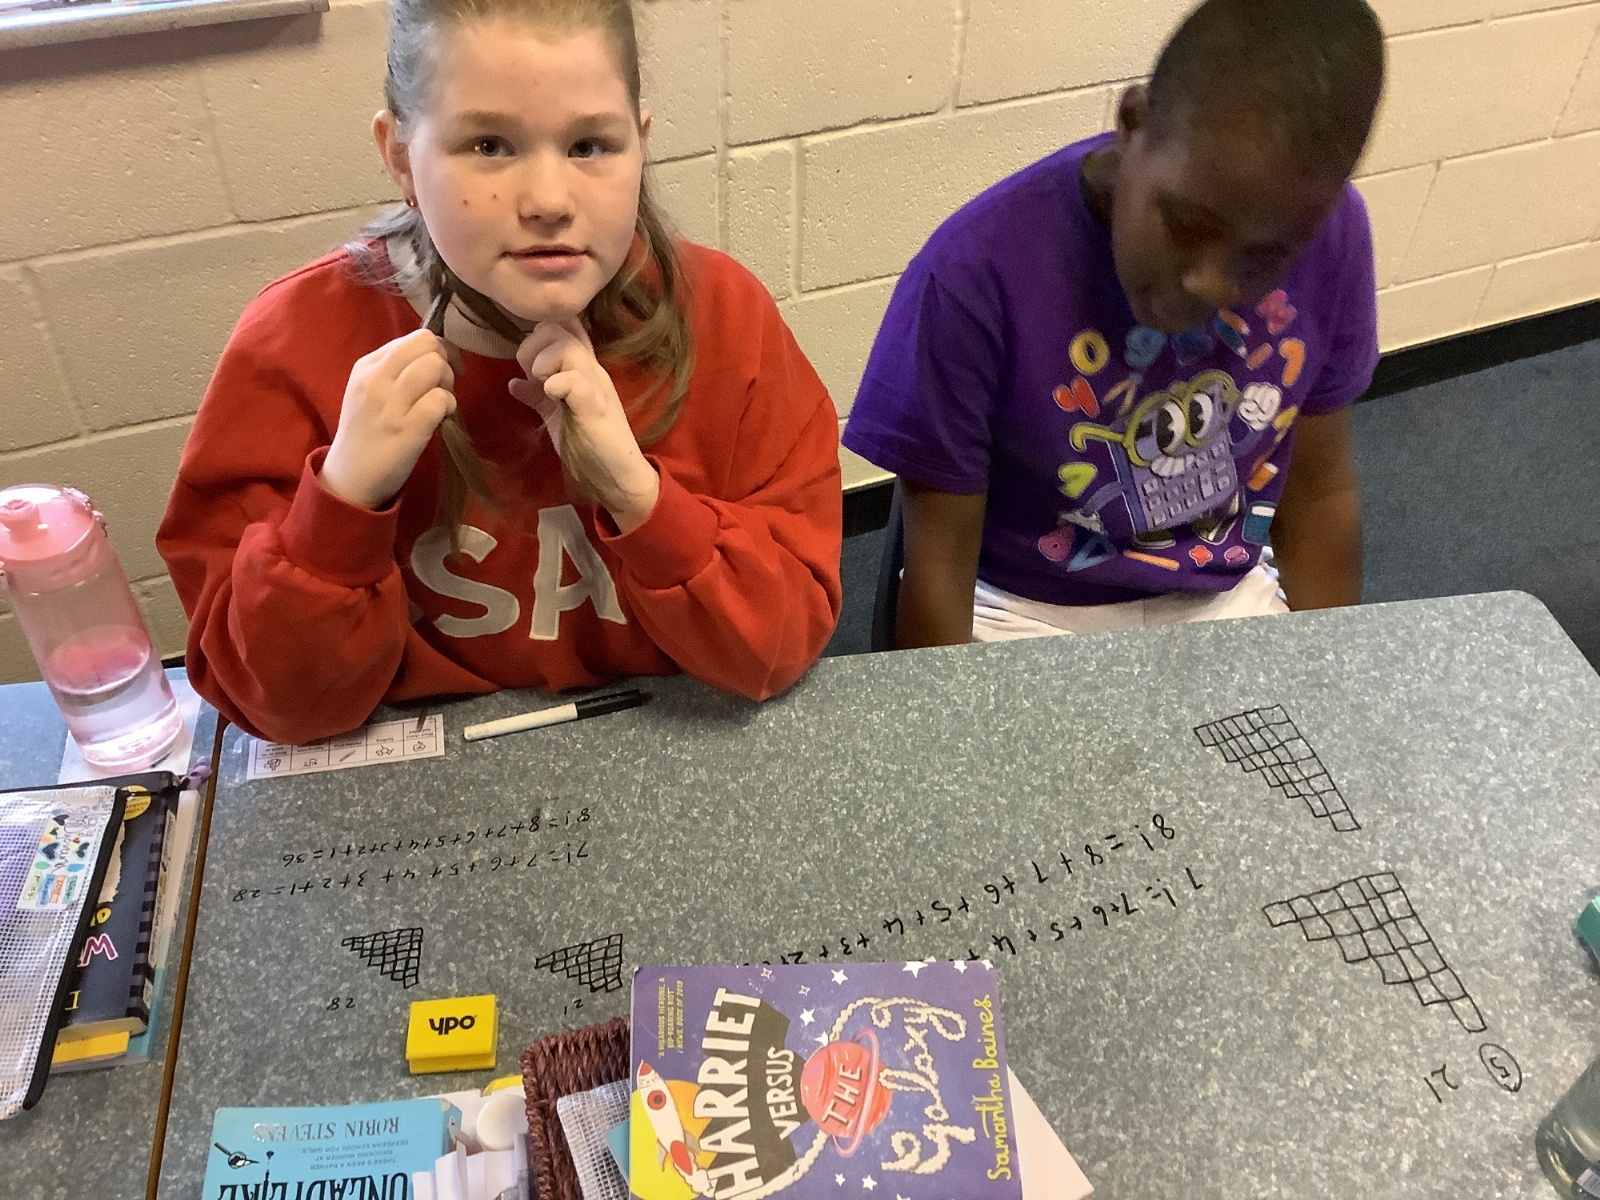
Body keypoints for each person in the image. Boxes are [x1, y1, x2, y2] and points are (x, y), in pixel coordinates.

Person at [158, 0, 842, 743]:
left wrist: (638, 497)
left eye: (589, 145)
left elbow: (780, 645)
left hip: (664, 733)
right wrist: (343, 504)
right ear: (400, 157)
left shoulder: (726, 318)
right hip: (420, 758)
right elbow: (281, 707)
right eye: (489, 145)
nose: (549, 201)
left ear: (640, 144)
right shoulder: (293, 345)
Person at [843, 0, 1385, 647]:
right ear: (1132, 124)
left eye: (1267, 255)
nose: (1212, 283)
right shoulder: (972, 276)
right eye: (1186, 226)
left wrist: (1326, 667)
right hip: (1026, 601)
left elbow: (1318, 492)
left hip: (1220, 584)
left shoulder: (1334, 238)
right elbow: (939, 564)